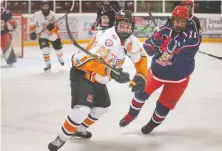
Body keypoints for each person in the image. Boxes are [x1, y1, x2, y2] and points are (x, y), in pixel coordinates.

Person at [48, 10, 147, 151]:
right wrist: (110, 72)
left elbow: (141, 58)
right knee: (82, 110)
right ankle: (61, 138)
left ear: (132, 27)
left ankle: (79, 130)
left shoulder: (131, 41)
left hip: (99, 79)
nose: (124, 29)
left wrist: (141, 75)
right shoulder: (108, 39)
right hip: (83, 74)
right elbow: (89, 61)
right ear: (116, 25)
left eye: (127, 26)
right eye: (121, 26)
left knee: (102, 107)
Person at [119, 6, 201, 134]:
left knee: (163, 108)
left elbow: (192, 45)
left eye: (182, 21)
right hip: (157, 72)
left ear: (186, 21)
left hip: (179, 79)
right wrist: (157, 46)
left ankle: (151, 125)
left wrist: (173, 44)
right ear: (172, 20)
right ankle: (131, 115)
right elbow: (147, 47)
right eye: (177, 21)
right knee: (140, 94)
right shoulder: (163, 31)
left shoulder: (191, 34)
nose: (180, 24)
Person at [29, 1, 64, 72]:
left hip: (53, 34)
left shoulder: (53, 14)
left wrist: (53, 27)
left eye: (46, 6)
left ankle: (59, 57)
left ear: (49, 7)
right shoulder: (37, 14)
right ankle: (48, 65)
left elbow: (58, 25)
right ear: (41, 7)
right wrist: (32, 32)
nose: (45, 7)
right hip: (42, 35)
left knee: (59, 51)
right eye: (44, 6)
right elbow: (32, 23)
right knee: (45, 50)